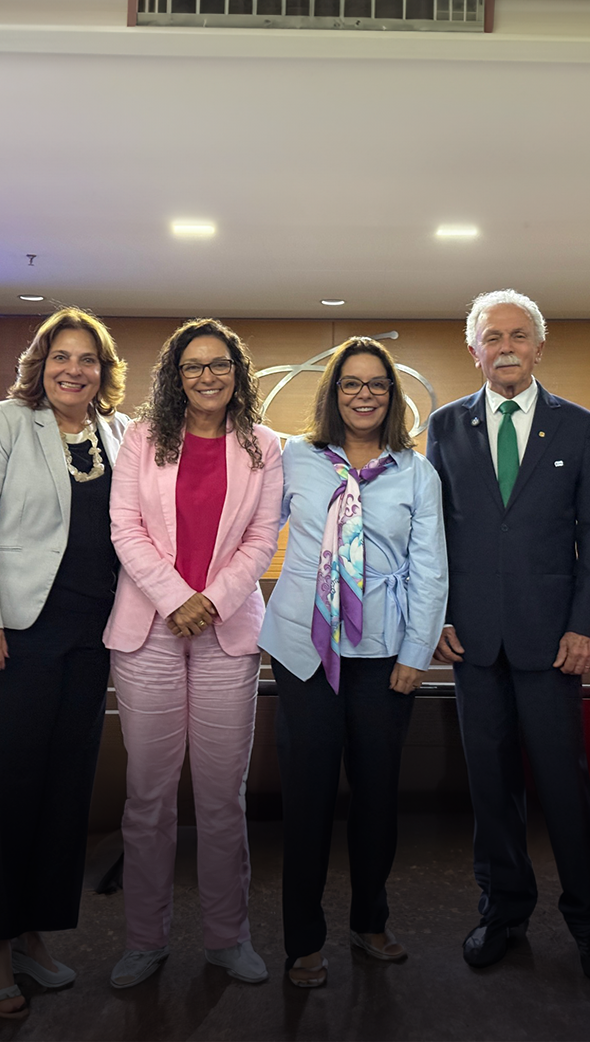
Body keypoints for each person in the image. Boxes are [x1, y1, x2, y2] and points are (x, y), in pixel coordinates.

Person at [427, 289, 590, 981]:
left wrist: (585, 626)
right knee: (490, 787)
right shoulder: (445, 426)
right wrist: (437, 615)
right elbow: (435, 538)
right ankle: (502, 911)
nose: (505, 347)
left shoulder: (577, 426)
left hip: (552, 644)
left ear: (539, 346)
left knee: (565, 790)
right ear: (473, 349)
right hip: (472, 643)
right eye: (492, 337)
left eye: (518, 335)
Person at [259, 336, 447, 987]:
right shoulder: (296, 460)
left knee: (375, 799)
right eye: (351, 383)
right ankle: (302, 941)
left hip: (382, 657)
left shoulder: (415, 473)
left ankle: (371, 921)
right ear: (333, 393)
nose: (364, 394)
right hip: (304, 652)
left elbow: (430, 569)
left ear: (391, 397)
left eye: (376, 384)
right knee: (307, 801)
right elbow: (256, 535)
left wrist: (416, 654)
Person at [104, 319, 282, 989]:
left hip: (227, 633)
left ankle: (225, 937)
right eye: (193, 366)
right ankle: (145, 940)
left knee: (221, 797)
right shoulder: (142, 439)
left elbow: (263, 540)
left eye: (220, 364)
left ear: (237, 372)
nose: (207, 376)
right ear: (175, 378)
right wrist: (177, 597)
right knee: (147, 797)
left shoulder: (265, 446)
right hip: (148, 630)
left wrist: (209, 601)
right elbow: (124, 525)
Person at [0, 308, 128, 1020]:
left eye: (88, 359)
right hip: (23, 634)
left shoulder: (116, 436)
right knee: (10, 787)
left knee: (63, 794)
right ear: (40, 364)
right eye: (61, 357)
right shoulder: (9, 424)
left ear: (104, 372)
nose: (74, 369)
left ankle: (33, 937)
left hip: (92, 637)